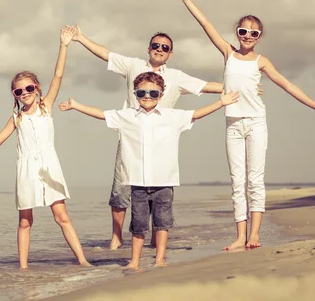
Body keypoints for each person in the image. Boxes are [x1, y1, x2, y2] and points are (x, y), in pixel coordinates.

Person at [171, 0, 315, 251]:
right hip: (232, 126)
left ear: (259, 38)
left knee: (255, 180)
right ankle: (240, 236)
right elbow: (205, 24)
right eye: (243, 31)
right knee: (237, 182)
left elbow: (287, 85)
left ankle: (254, 234)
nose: (247, 36)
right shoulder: (228, 53)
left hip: (256, 124)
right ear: (236, 32)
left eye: (254, 33)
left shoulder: (262, 62)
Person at [68, 24, 226, 249]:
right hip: (131, 139)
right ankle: (117, 236)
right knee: (120, 189)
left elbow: (206, 86)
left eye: (165, 47)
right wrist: (82, 38)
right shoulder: (134, 65)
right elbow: (106, 54)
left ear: (170, 53)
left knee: (158, 190)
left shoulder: (176, 76)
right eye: (156, 45)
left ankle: (155, 239)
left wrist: (238, 87)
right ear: (148, 48)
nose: (159, 49)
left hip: (161, 142)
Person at [59, 72, 239, 269]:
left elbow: (196, 113)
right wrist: (76, 105)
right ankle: (134, 261)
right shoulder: (126, 116)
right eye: (142, 92)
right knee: (138, 225)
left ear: (161, 95)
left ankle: (159, 259)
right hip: (137, 182)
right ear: (135, 93)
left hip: (164, 180)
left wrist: (221, 103)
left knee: (162, 223)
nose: (147, 96)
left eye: (153, 93)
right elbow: (101, 114)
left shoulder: (172, 116)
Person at [0, 26, 91, 269]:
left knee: (61, 216)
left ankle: (82, 261)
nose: (25, 93)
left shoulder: (46, 106)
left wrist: (63, 45)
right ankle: (23, 267)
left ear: (37, 88)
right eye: (19, 91)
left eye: (29, 88)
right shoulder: (16, 118)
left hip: (49, 167)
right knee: (25, 221)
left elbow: (58, 75)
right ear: (15, 95)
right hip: (26, 170)